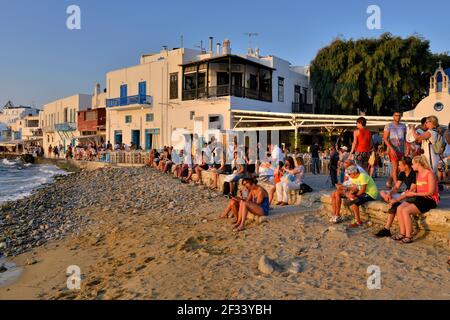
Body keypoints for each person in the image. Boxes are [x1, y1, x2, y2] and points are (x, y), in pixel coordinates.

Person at [391, 155, 439, 244]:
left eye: (413, 164)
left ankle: (408, 236)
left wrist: (414, 194)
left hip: (430, 200)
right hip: (420, 197)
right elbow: (414, 189)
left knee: (406, 211)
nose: (411, 166)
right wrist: (408, 193)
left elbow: (431, 192)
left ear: (418, 164)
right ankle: (402, 233)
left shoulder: (430, 174)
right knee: (399, 208)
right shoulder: (418, 174)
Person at [376, 157, 416, 237]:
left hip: (411, 195)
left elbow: (412, 191)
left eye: (400, 165)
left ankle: (387, 228)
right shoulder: (402, 173)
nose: (398, 167)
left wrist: (396, 199)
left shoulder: (414, 174)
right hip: (405, 194)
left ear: (406, 166)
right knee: (382, 192)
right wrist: (389, 194)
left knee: (394, 204)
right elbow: (396, 187)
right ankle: (390, 200)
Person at [383, 111, 407, 188]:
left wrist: (407, 149)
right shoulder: (389, 126)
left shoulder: (403, 126)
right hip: (393, 149)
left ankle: (389, 182)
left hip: (401, 149)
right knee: (395, 167)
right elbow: (385, 138)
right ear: (393, 116)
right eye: (396, 115)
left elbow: (405, 139)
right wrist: (391, 149)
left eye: (399, 115)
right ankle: (396, 186)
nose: (398, 117)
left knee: (400, 168)